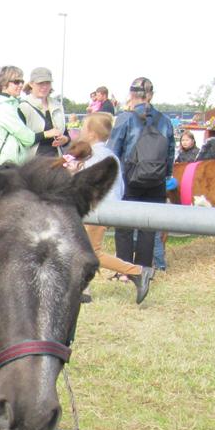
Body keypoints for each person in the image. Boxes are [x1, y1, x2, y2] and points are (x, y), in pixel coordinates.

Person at [73, 112, 153, 304]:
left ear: (91, 134)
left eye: (83, 129)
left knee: (91, 253)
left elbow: (86, 185)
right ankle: (82, 290)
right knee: (84, 250)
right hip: (105, 209)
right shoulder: (110, 156)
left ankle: (137, 272)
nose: (81, 132)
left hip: (96, 210)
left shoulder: (94, 156)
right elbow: (120, 187)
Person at [108, 76, 175, 278]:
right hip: (156, 180)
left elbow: (113, 150)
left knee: (124, 227)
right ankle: (143, 270)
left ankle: (125, 271)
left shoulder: (125, 118)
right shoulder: (165, 121)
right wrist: (165, 175)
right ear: (151, 95)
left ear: (131, 94)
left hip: (129, 178)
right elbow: (170, 153)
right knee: (148, 227)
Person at [0, 65, 38, 165]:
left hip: (11, 164)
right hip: (7, 166)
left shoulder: (11, 106)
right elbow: (29, 139)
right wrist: (47, 134)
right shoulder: (4, 109)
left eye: (22, 81)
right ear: (3, 84)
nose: (21, 85)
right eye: (16, 82)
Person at [20, 67, 70, 158]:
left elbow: (65, 134)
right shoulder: (22, 107)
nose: (45, 86)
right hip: (32, 162)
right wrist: (46, 134)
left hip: (56, 160)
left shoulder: (58, 106)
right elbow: (21, 139)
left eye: (47, 83)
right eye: (40, 83)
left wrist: (65, 140)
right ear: (31, 84)